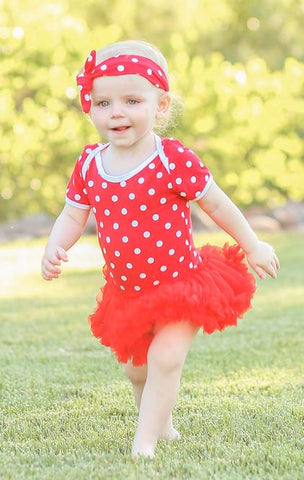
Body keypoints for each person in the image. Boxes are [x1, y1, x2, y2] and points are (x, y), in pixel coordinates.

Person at [41, 40, 280, 458]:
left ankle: (144, 443)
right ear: (91, 107)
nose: (116, 112)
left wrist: (253, 243)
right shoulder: (90, 164)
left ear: (161, 104)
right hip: (127, 291)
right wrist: (54, 247)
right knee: (137, 367)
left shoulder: (171, 159)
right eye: (103, 103)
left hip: (180, 283)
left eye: (132, 100)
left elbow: (217, 203)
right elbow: (72, 215)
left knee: (166, 357)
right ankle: (162, 425)